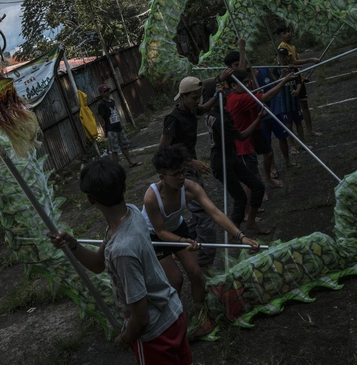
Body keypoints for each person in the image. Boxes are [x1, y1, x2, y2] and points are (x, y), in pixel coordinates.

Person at [47, 159, 192, 365]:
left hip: (156, 332)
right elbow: (98, 264)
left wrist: (125, 338)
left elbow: (141, 318)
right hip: (173, 313)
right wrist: (73, 244)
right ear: (124, 186)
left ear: (90, 200)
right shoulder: (131, 213)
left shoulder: (122, 251)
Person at [142, 146, 259, 331]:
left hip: (177, 227)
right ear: (162, 177)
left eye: (183, 172)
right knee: (175, 279)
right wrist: (183, 242)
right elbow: (161, 231)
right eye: (176, 174)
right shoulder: (151, 197)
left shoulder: (190, 188)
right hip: (153, 235)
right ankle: (171, 316)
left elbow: (215, 213)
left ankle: (200, 314)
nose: (181, 177)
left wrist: (241, 236)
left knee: (196, 273)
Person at [159, 76, 219, 269]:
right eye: (194, 97)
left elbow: (205, 107)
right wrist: (192, 162)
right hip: (180, 172)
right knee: (205, 215)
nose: (197, 101)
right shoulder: (173, 119)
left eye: (199, 97)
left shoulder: (192, 110)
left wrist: (217, 94)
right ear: (182, 97)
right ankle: (204, 263)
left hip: (191, 169)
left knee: (197, 213)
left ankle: (179, 245)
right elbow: (164, 151)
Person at [225, 69, 294, 220]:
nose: (247, 85)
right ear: (233, 86)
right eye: (243, 84)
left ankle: (252, 204)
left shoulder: (235, 95)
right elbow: (267, 96)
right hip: (243, 144)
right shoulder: (240, 99)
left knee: (264, 160)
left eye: (247, 83)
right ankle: (246, 213)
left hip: (249, 136)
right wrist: (283, 82)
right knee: (251, 180)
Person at [203, 82, 271, 234]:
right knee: (240, 198)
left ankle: (251, 223)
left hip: (231, 157)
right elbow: (241, 136)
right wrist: (258, 119)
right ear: (215, 99)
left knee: (258, 186)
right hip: (222, 162)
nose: (228, 99)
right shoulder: (221, 118)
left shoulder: (211, 112)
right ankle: (235, 233)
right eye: (225, 96)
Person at [276, 25, 322, 137]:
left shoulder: (292, 46)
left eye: (288, 32)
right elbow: (293, 63)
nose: (287, 34)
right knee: (291, 109)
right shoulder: (282, 47)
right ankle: (295, 138)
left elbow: (295, 64)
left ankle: (310, 130)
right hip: (289, 80)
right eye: (283, 33)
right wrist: (310, 60)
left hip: (297, 78)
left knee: (304, 104)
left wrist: (302, 78)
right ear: (279, 36)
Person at [97, 84, 142, 167]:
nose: (107, 92)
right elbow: (101, 118)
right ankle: (116, 167)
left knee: (124, 146)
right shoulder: (102, 105)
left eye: (108, 90)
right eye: (105, 91)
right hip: (111, 129)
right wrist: (105, 129)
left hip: (119, 128)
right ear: (101, 93)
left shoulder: (112, 101)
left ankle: (131, 162)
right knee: (114, 149)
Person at [276, 48, 310, 156]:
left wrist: (298, 90)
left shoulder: (293, 68)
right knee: (289, 125)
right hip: (284, 103)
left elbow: (299, 81)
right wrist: (282, 75)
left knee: (299, 122)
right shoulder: (275, 70)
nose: (281, 58)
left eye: (283, 56)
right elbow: (275, 85)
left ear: (288, 57)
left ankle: (303, 142)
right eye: (279, 56)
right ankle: (292, 146)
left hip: (294, 101)